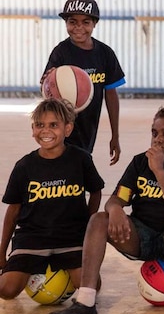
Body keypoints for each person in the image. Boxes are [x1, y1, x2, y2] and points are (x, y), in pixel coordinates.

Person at [49, 107, 164, 314]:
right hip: (141, 236)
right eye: (154, 133)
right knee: (98, 220)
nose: (158, 139)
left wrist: (160, 171)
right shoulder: (140, 162)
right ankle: (85, 302)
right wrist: (115, 210)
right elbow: (116, 199)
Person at [0, 99, 103, 303]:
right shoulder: (24, 166)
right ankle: (29, 268)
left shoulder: (81, 159)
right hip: (32, 238)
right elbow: (13, 210)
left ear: (68, 128)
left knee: (91, 286)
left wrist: (87, 227)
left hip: (70, 238)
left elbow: (96, 191)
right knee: (7, 290)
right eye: (40, 125)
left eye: (53, 125)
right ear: (33, 129)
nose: (46, 131)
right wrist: (2, 251)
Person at [44, 0, 125, 165]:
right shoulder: (61, 52)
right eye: (73, 22)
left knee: (81, 166)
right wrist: (47, 79)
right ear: (66, 23)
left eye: (86, 22)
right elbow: (47, 87)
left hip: (89, 128)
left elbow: (111, 95)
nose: (78, 27)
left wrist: (115, 135)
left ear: (94, 24)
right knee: (65, 168)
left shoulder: (105, 54)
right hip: (63, 128)